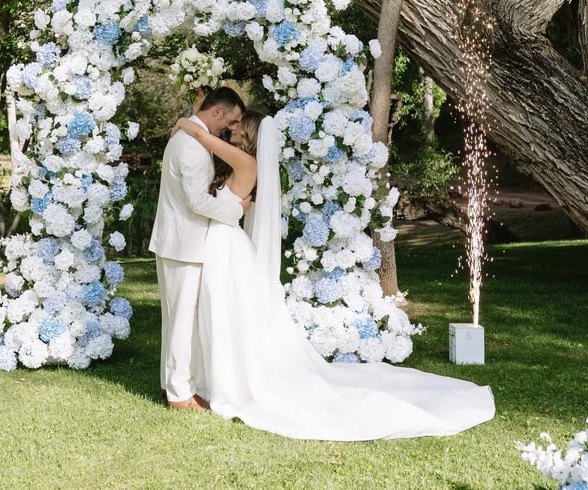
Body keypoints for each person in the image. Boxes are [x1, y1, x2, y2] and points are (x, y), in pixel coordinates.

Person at [171, 110, 496, 440]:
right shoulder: (239, 160)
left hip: (226, 243)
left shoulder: (245, 162)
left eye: (237, 125)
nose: (232, 128)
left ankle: (225, 381)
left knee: (224, 311)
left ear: (250, 133)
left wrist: (186, 123)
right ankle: (214, 376)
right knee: (221, 312)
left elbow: (203, 137)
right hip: (222, 242)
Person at [148, 86, 249, 411]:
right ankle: (180, 395)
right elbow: (197, 201)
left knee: (176, 318)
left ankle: (171, 384)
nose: (230, 128)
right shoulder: (191, 145)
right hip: (184, 243)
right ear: (217, 111)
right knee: (182, 321)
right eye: (230, 121)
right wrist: (236, 210)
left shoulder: (189, 136)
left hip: (177, 241)